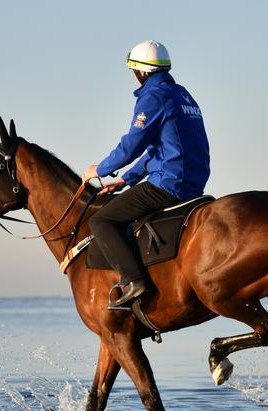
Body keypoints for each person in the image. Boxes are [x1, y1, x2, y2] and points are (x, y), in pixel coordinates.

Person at [83, 40, 210, 309]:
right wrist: (124, 179)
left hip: (167, 184)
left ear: (140, 71)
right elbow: (159, 150)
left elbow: (132, 145)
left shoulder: (153, 97)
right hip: (192, 183)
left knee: (102, 221)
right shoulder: (182, 94)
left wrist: (101, 169)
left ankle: (135, 281)